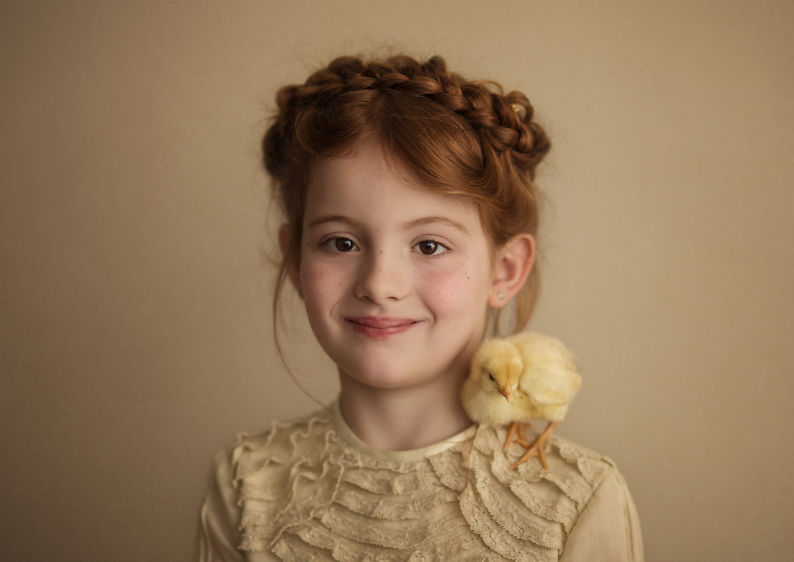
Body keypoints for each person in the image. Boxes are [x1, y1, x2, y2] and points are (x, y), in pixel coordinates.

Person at [198, 54, 643, 561]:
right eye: (341, 243)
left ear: (504, 271)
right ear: (296, 261)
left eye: (429, 246)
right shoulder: (245, 486)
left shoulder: (578, 500)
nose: (379, 285)